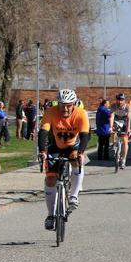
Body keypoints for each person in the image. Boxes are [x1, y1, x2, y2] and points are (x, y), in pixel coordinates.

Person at [38, 89, 90, 230]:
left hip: (73, 146)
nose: (65, 108)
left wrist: (81, 153)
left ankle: (74, 195)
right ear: (58, 103)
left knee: (75, 159)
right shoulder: (51, 112)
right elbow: (43, 132)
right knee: (50, 179)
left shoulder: (81, 113)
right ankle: (50, 215)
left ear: (73, 104)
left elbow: (85, 135)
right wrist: (42, 151)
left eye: (68, 105)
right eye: (62, 105)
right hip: (55, 146)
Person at [109, 93, 131, 169]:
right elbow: (111, 117)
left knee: (125, 141)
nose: (120, 102)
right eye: (118, 100)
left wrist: (128, 129)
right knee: (112, 130)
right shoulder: (113, 106)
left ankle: (123, 159)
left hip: (125, 122)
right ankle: (114, 144)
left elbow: (129, 119)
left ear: (124, 100)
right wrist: (110, 127)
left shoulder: (128, 107)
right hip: (117, 120)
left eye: (122, 100)